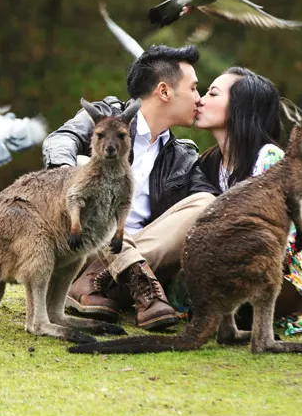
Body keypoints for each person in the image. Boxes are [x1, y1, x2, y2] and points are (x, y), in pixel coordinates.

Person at [43, 44, 219, 331]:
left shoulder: (184, 157)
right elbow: (59, 140)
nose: (199, 99)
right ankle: (114, 275)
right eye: (194, 89)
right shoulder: (105, 115)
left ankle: (102, 280)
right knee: (84, 161)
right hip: (80, 246)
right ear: (164, 91)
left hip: (131, 261)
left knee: (204, 203)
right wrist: (69, 176)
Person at [196, 67, 302, 336]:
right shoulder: (208, 162)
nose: (200, 100)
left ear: (241, 107)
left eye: (212, 93)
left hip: (278, 274)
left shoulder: (271, 159)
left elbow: (291, 241)